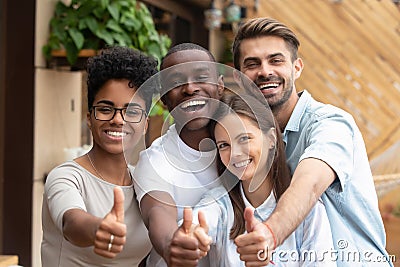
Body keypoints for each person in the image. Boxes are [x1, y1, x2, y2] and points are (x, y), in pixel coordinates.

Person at [231, 17, 392, 266]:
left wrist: (270, 234)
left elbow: (310, 183)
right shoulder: (241, 140)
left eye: (276, 60)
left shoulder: (331, 123)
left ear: (297, 68)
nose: (264, 71)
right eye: (252, 64)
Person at [185, 92, 336, 266]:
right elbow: (200, 222)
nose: (235, 153)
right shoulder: (218, 203)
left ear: (271, 139)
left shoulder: (310, 211)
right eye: (224, 145)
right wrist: (192, 235)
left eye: (244, 138)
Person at [41, 46, 158, 266]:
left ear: (145, 125)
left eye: (132, 111)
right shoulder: (66, 177)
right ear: (89, 118)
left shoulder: (144, 184)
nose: (118, 120)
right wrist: (98, 228)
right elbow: (72, 222)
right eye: (105, 109)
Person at [132, 43, 227, 266]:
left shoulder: (247, 147)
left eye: (201, 77)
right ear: (164, 99)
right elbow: (157, 212)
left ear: (220, 86)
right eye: (176, 82)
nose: (190, 88)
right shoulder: (155, 162)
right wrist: (170, 244)